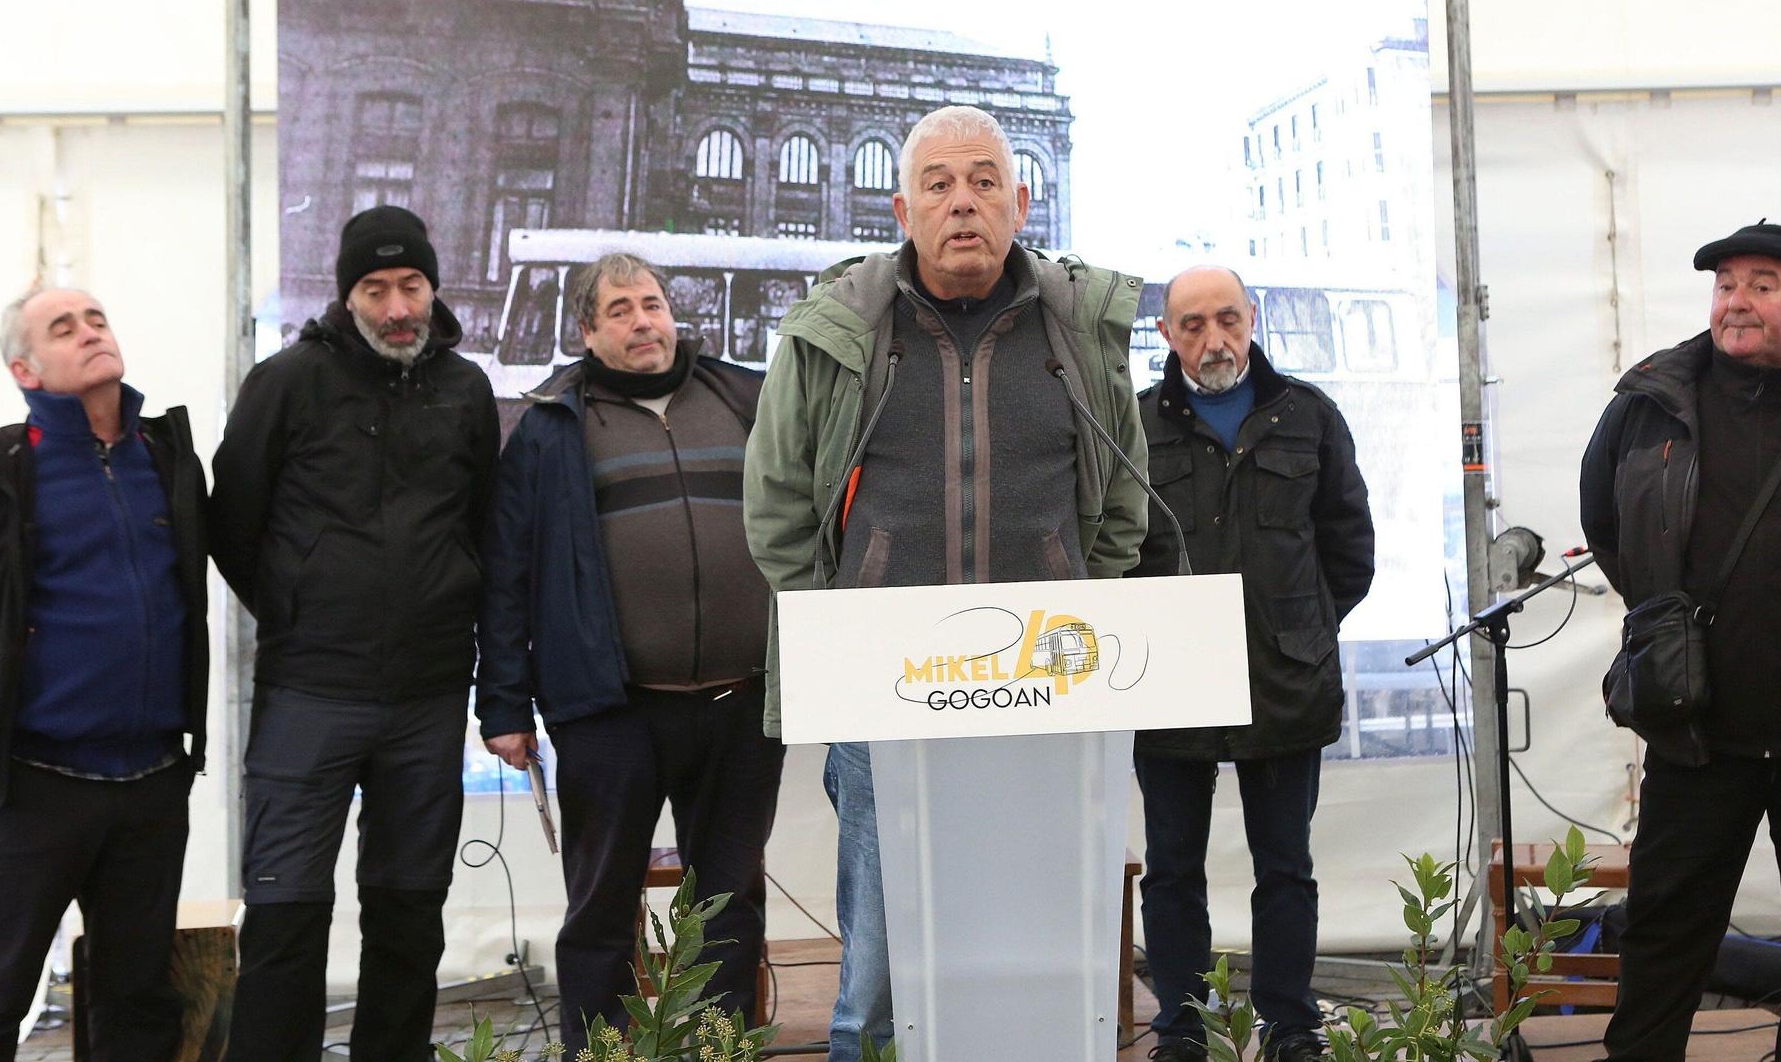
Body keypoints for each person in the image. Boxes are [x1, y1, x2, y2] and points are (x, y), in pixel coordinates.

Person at [742, 104, 1149, 1061]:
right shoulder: (838, 331)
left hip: (1046, 691)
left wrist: (1076, 609)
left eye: (982, 181)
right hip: (886, 698)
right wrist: (843, 638)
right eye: (938, 184)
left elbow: (1124, 504)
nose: (962, 202)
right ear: (902, 208)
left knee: (1037, 947)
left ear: (1020, 200)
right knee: (882, 963)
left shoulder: (1078, 332)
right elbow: (775, 509)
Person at [1579, 221, 1781, 1061]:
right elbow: (1609, 530)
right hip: (1698, 740)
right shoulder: (1648, 406)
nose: (1737, 300)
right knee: (1661, 949)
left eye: (1763, 283)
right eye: (1726, 283)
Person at [211, 205, 499, 1060]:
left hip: (430, 695)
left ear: (433, 288)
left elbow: (485, 526)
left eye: (410, 285)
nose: (396, 305)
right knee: (285, 912)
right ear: (348, 298)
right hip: (309, 692)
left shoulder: (467, 390)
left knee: (410, 917)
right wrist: (301, 610)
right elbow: (233, 523)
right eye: (375, 289)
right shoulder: (287, 381)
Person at [477, 252, 783, 1040]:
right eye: (619, 310)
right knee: (602, 908)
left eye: (651, 304)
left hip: (741, 704)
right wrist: (504, 704)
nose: (642, 321)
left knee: (729, 905)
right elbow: (506, 577)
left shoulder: (747, 400)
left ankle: (720, 1052)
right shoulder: (549, 429)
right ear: (587, 331)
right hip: (609, 713)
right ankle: (602, 1055)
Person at [0, 287, 208, 1060]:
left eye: (98, 318)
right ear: (26, 368)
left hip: (150, 783)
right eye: (63, 328)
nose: (90, 333)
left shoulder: (166, 457)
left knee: (137, 1004)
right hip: (33, 787)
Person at [1129, 266, 1373, 1062]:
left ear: (1253, 318)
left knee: (1285, 869)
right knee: (1171, 871)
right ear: (1166, 335)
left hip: (1285, 681)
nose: (1213, 339)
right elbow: (1113, 558)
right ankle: (1183, 1029)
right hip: (1168, 687)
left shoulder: (1309, 417)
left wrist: (1295, 627)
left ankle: (1291, 1028)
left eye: (1227, 319)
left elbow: (1349, 552)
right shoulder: (1131, 430)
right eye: (1192, 325)